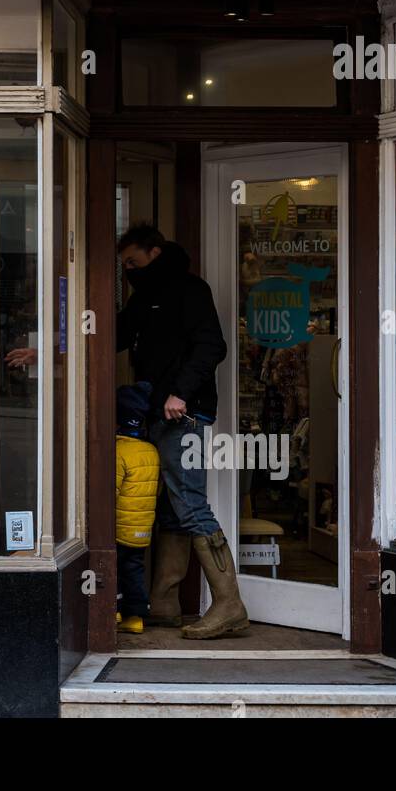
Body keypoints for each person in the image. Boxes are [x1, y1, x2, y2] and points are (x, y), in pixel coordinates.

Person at [117, 222, 247, 640]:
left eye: (133, 262)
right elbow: (111, 334)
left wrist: (179, 394)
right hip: (160, 411)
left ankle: (228, 604)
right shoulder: (146, 297)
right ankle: (165, 604)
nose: (128, 271)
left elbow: (213, 346)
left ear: (155, 253)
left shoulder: (191, 290)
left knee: (189, 504)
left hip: (183, 413)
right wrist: (48, 348)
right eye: (124, 265)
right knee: (173, 507)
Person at [115, 382, 160, 635]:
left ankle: (115, 610)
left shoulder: (118, 451)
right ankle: (137, 616)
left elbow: (111, 491)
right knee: (135, 569)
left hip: (119, 525)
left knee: (115, 568)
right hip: (142, 529)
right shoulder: (151, 451)